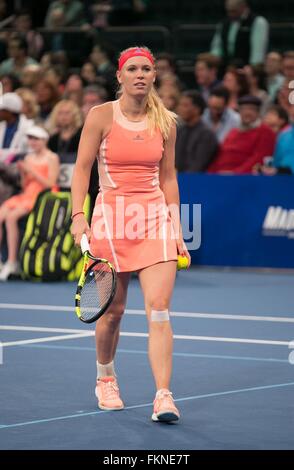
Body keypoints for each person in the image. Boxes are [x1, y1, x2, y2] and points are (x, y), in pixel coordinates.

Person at [71, 46, 191, 423]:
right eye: (133, 69)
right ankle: (105, 378)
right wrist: (79, 216)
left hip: (154, 219)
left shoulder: (166, 121)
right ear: (120, 76)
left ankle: (164, 396)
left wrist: (176, 226)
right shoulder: (100, 115)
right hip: (111, 218)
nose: (140, 74)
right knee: (112, 312)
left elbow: (168, 177)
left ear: (154, 76)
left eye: (147, 69)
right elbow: (81, 169)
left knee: (159, 310)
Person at [0, 125, 59, 280]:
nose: (32, 142)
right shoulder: (28, 158)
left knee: (11, 217)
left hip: (43, 196)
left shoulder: (52, 157)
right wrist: (23, 173)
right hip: (27, 193)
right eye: (30, 138)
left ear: (44, 140)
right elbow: (24, 185)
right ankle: (2, 260)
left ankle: (12, 262)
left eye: (36, 139)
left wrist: (31, 171)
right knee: (1, 215)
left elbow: (50, 183)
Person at [208, 95, 276, 174]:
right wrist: (210, 175)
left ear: (258, 112)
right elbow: (219, 155)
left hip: (243, 178)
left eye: (251, 109)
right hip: (221, 176)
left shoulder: (265, 132)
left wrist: (235, 174)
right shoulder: (233, 132)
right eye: (244, 109)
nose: (247, 112)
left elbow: (258, 159)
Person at [210, 0, 269, 68]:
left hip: (246, 70)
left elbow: (257, 54)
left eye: (233, 11)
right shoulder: (223, 23)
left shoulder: (258, 22)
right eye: (228, 11)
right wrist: (214, 58)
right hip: (227, 70)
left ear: (243, 7)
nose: (230, 14)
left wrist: (252, 70)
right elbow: (217, 47)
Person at [176, 90, 218, 172]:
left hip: (196, 181)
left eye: (185, 105)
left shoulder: (206, 135)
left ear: (197, 109)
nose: (179, 108)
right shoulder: (179, 131)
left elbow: (198, 165)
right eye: (180, 105)